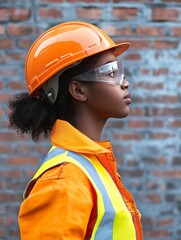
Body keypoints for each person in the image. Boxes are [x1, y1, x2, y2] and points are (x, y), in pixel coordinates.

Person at [9, 21, 143, 240]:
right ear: (79, 90)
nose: (124, 82)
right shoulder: (63, 180)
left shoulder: (90, 165)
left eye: (120, 70)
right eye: (111, 72)